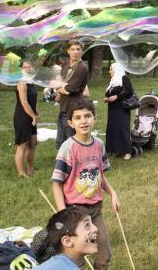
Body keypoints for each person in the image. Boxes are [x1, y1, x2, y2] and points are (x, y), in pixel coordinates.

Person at [51, 99, 120, 270]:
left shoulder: (99, 145)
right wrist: (63, 214)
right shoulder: (68, 148)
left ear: (94, 118)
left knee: (104, 254)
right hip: (75, 211)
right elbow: (56, 183)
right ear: (70, 123)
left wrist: (113, 193)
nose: (83, 121)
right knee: (77, 258)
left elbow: (100, 175)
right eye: (78, 117)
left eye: (88, 116)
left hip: (95, 210)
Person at [54, 40, 89, 149]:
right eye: (73, 49)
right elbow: (61, 83)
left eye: (78, 49)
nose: (75, 52)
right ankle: (63, 163)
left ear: (82, 51)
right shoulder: (66, 65)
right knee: (60, 142)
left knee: (71, 140)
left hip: (72, 108)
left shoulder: (82, 67)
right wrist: (58, 91)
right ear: (68, 51)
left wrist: (57, 87)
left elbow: (69, 89)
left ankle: (74, 164)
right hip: (63, 106)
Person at [13, 60, 39, 178]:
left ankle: (31, 168)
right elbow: (24, 102)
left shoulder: (31, 82)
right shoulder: (22, 83)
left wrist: (36, 111)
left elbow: (32, 100)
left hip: (31, 115)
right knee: (22, 145)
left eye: (29, 66)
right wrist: (33, 116)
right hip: (23, 117)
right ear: (21, 69)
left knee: (33, 143)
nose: (27, 69)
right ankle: (21, 172)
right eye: (25, 67)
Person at [103, 63, 134, 160]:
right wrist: (106, 98)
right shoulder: (113, 80)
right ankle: (113, 150)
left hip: (122, 108)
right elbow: (110, 92)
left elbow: (129, 91)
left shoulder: (124, 78)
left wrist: (116, 97)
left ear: (117, 69)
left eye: (111, 69)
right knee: (112, 128)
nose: (109, 71)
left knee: (122, 129)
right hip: (112, 108)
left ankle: (127, 151)